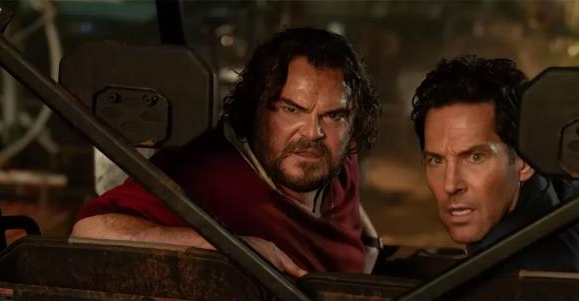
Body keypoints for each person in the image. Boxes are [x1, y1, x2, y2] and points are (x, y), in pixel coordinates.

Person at [72, 28, 381, 277]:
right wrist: (232, 248)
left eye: (333, 115)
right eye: (291, 109)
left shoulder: (338, 156)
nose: (313, 133)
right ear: (255, 108)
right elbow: (89, 231)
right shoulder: (206, 172)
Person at [411, 56, 579, 279]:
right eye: (436, 160)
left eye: (474, 158)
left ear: (524, 161)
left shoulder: (514, 280)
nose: (450, 184)